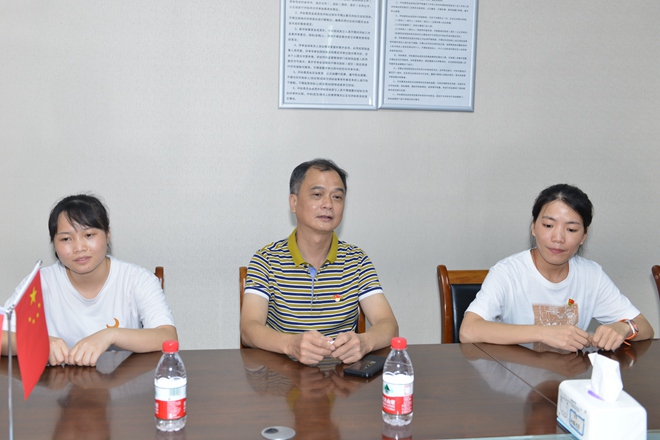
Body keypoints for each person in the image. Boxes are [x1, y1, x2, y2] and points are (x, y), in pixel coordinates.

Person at [240, 159, 398, 366]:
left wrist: (364, 342)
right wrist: (290, 344)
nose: (328, 204)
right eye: (317, 194)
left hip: (341, 378)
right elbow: (248, 329)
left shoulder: (357, 260)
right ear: (293, 202)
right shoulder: (266, 260)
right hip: (281, 377)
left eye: (337, 197)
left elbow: (388, 324)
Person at [460, 183, 654, 352]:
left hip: (569, 376)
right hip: (515, 376)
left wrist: (624, 327)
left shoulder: (591, 275)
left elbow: (645, 328)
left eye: (571, 229)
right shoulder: (508, 272)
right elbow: (468, 331)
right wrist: (543, 333)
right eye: (548, 225)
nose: (558, 238)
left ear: (584, 236)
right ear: (533, 227)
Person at [1, 194, 177, 367]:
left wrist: (111, 335)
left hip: (122, 382)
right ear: (54, 243)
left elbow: (167, 336)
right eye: (66, 239)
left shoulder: (137, 279)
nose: (79, 247)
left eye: (89, 235)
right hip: (59, 383)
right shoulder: (40, 283)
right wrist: (39, 342)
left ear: (107, 234)